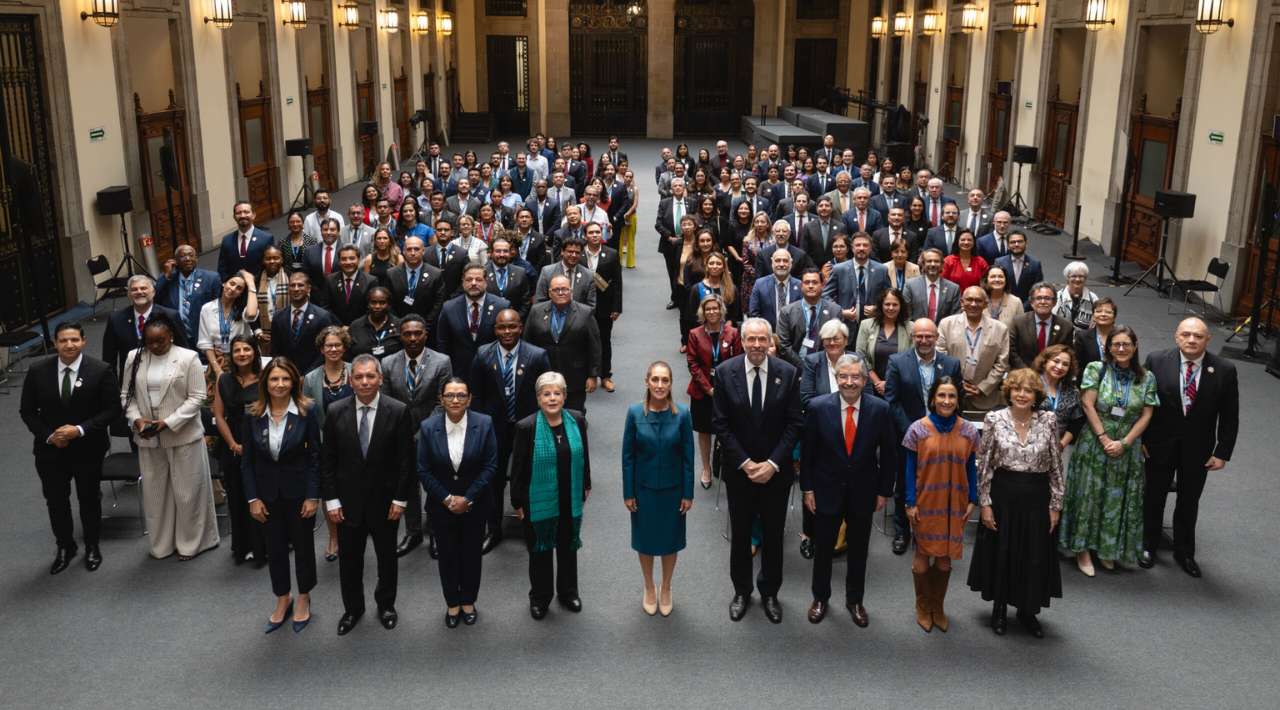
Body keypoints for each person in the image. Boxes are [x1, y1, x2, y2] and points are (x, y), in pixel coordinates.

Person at [712, 318, 803, 624]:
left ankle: (770, 592)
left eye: (762, 340)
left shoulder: (788, 374)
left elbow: (794, 424)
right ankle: (741, 591)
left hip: (775, 473)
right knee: (740, 535)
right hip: (740, 472)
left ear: (769, 342)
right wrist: (747, 463)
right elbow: (721, 425)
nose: (756, 345)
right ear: (742, 341)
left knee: (773, 535)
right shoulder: (726, 373)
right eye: (751, 339)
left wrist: (773, 463)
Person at [800, 353, 898, 627]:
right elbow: (808, 454)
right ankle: (820, 597)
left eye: (855, 377)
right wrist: (807, 489)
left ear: (865, 380)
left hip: (863, 491)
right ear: (836, 378)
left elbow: (889, 455)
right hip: (825, 489)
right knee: (822, 548)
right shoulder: (819, 408)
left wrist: (883, 491)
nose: (849, 382)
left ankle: (855, 600)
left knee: (858, 549)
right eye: (843, 376)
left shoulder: (880, 409)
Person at [968, 369, 1065, 638]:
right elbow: (984, 464)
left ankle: (1027, 610)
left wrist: (1056, 504)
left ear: (1036, 395)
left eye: (1028, 390)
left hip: (1037, 497)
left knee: (1033, 555)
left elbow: (1056, 464)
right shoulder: (994, 419)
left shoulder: (1049, 420)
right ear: (1009, 392)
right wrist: (984, 504)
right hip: (1003, 496)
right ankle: (999, 609)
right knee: (1003, 552)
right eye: (1017, 389)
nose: (1022, 395)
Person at [321, 354, 413, 635]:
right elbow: (328, 461)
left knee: (387, 559)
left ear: (380, 379)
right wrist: (332, 500)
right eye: (359, 377)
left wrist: (400, 500)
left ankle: (386, 605)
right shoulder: (336, 411)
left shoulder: (398, 411)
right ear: (350, 380)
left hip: (385, 504)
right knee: (349, 561)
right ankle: (353, 609)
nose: (364, 382)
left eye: (370, 376)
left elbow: (406, 460)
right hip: (347, 505)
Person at [20, 322, 121, 574]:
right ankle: (65, 546)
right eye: (63, 340)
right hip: (50, 450)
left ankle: (91, 546)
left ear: (84, 341)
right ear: (55, 343)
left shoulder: (100, 370)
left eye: (74, 340)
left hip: (88, 448)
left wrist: (80, 430)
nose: (69, 345)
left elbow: (112, 410)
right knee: (56, 501)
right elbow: (28, 411)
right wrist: (49, 436)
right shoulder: (37, 370)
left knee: (88, 499)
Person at [1141, 317, 1239, 577]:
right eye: (1186, 334)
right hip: (1158, 445)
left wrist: (1222, 452)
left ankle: (1184, 552)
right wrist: (1140, 440)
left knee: (1189, 501)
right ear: (1176, 337)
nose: (1192, 340)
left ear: (1208, 340)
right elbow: (1143, 405)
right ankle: (1147, 544)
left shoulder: (1225, 370)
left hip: (1199, 450)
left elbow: (1230, 415)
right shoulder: (1156, 361)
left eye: (1198, 336)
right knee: (1153, 496)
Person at [120, 313, 220, 560]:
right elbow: (126, 395)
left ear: (171, 337)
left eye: (160, 341)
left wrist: (168, 422)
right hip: (148, 437)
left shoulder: (188, 358)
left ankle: (192, 544)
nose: (155, 346)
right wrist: (137, 419)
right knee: (156, 495)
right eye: (150, 342)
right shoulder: (135, 357)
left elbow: (197, 397)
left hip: (183, 435)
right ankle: (162, 544)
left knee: (188, 493)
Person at [1059, 326, 1158, 575]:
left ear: (1135, 347)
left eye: (1126, 344)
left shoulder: (1147, 377)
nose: (1121, 349)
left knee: (1116, 497)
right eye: (1116, 345)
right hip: (1094, 442)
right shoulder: (1096, 369)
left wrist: (1124, 442)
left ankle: (1107, 549)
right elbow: (1088, 404)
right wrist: (1104, 438)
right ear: (1108, 347)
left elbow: (1147, 414)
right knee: (1089, 495)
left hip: (1127, 446)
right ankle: (1082, 551)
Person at [241, 357, 320, 633]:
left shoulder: (306, 411)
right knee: (274, 549)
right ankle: (282, 597)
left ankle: (304, 597)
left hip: (299, 495)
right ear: (265, 382)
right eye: (274, 379)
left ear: (294, 382)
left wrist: (313, 495)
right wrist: (253, 498)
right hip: (266, 496)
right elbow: (247, 462)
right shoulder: (252, 414)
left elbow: (315, 458)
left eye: (285, 379)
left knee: (303, 548)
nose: (280, 384)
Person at [415, 378, 497, 627]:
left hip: (475, 504)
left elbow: (490, 465)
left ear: (470, 399)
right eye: (450, 395)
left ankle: (468, 601)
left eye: (461, 395)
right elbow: (423, 470)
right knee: (447, 555)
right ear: (441, 399)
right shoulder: (428, 427)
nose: (455, 400)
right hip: (442, 506)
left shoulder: (484, 424)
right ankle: (452, 602)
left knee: (471, 554)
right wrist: (448, 498)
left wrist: (468, 497)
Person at [510, 372, 592, 619]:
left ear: (565, 396)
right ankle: (540, 597)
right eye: (547, 394)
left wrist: (586, 483)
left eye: (557, 393)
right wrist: (517, 501)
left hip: (569, 496)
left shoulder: (577, 420)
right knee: (540, 551)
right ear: (538, 398)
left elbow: (583, 455)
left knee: (568, 547)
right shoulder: (526, 427)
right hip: (537, 502)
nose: (552, 398)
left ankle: (568, 593)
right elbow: (518, 469)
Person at [469, 309, 551, 553]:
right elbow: (476, 396)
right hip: (493, 429)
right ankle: (493, 529)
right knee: (493, 481)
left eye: (512, 327)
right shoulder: (483, 355)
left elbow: (547, 394)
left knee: (529, 478)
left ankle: (531, 528)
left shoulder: (537, 356)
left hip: (528, 427)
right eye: (501, 328)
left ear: (521, 327)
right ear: (494, 329)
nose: (507, 332)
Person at [901, 377, 980, 632]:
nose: (947, 401)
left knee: (945, 561)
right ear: (933, 399)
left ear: (958, 401)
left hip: (955, 503)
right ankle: (922, 605)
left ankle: (938, 605)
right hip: (926, 502)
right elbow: (909, 468)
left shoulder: (968, 430)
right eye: (942, 396)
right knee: (922, 557)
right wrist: (910, 502)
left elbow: (971, 466)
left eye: (952, 396)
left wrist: (972, 499)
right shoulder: (917, 429)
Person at [620, 361, 694, 617]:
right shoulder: (634, 413)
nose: (660, 385)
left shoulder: (682, 414)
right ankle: (650, 586)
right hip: (644, 490)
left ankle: (667, 587)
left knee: (670, 541)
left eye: (665, 380)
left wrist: (688, 493)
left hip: (673, 490)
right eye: (655, 380)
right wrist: (628, 492)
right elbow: (627, 456)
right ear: (647, 382)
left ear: (671, 384)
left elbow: (688, 457)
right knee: (646, 540)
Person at [884, 319, 963, 555]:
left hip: (942, 436)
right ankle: (901, 532)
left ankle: (935, 530)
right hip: (908, 435)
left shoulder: (951, 364)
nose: (924, 340)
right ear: (913, 337)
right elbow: (892, 400)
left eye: (929, 336)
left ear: (937, 336)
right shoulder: (897, 362)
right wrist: (913, 431)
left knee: (938, 483)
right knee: (905, 483)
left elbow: (957, 402)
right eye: (919, 336)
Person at [380, 315, 453, 558]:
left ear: (425, 334)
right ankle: (413, 532)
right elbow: (387, 403)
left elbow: (442, 402)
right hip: (400, 435)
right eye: (407, 334)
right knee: (407, 483)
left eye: (417, 333)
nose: (412, 338)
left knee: (433, 484)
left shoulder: (442, 361)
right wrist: (402, 434)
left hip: (432, 433)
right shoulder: (388, 363)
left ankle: (434, 532)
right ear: (400, 336)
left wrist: (422, 433)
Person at [212, 335, 268, 567]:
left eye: (247, 349)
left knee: (261, 496)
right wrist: (233, 444)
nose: (242, 354)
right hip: (232, 444)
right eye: (237, 350)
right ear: (231, 355)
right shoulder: (223, 379)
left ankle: (263, 546)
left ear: (255, 352)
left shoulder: (265, 378)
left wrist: (254, 445)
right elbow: (218, 415)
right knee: (237, 496)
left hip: (261, 444)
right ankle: (242, 546)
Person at [301, 325, 355, 561]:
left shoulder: (356, 371)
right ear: (321, 349)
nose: (333, 349)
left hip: (354, 442)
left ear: (344, 347)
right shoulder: (311, 378)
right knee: (328, 491)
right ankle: (333, 537)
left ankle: (351, 536)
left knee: (352, 490)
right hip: (323, 444)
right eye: (328, 345)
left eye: (337, 345)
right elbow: (306, 414)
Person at [685, 295, 742, 489]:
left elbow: (738, 362)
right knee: (704, 430)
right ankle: (706, 468)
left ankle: (726, 466)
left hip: (728, 389)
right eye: (708, 309)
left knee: (728, 428)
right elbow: (692, 364)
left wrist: (724, 389)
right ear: (703, 311)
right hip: (702, 390)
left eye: (715, 308)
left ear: (721, 310)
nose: (712, 312)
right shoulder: (695, 333)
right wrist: (709, 389)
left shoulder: (733, 333)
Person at [524, 274, 601, 412]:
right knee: (545, 412)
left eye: (565, 289)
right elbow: (527, 342)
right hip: (544, 372)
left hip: (575, 375)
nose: (561, 292)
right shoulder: (536, 310)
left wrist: (593, 375)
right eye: (556, 290)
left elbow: (594, 346)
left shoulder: (585, 312)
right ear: (549, 293)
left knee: (574, 414)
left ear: (571, 291)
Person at [936, 286, 1010, 412]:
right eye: (969, 300)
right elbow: (939, 356)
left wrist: (983, 387)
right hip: (951, 395)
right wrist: (958, 384)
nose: (973, 304)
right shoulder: (946, 324)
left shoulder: (1000, 329)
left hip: (986, 397)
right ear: (962, 302)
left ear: (986, 304)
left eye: (978, 301)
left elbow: (1001, 364)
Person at [436, 263, 511, 386]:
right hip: (459, 373)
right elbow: (443, 343)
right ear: (463, 282)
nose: (474, 283)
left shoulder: (501, 306)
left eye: (478, 279)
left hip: (494, 371)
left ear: (486, 281)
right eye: (469, 279)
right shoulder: (449, 307)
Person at [101, 275, 187, 376]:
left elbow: (184, 349)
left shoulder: (170, 316)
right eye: (134, 289)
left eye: (143, 288)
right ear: (128, 294)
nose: (139, 292)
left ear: (153, 292)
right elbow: (109, 358)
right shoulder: (116, 319)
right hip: (131, 379)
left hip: (166, 376)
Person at [269, 272, 337, 373]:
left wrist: (307, 376)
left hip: (314, 375)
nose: (296, 289)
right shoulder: (278, 317)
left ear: (308, 289)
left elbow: (324, 351)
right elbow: (275, 350)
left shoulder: (322, 316)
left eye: (300, 285)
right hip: (286, 374)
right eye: (292, 285)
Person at [156, 244, 222, 347]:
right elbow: (155, 299)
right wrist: (166, 275)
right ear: (175, 261)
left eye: (191, 255)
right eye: (182, 256)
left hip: (203, 334)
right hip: (177, 336)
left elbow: (219, 307)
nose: (187, 259)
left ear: (196, 258)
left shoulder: (211, 278)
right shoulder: (168, 280)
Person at [583, 222, 623, 391]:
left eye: (597, 232)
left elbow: (618, 283)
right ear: (585, 235)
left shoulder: (612, 254)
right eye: (591, 232)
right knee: (583, 341)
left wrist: (617, 307)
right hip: (582, 306)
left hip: (605, 306)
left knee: (604, 341)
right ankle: (588, 375)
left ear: (602, 234)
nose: (594, 235)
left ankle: (605, 376)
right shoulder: (578, 255)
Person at [196, 271, 259, 379]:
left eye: (239, 288)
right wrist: (217, 370)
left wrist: (251, 284)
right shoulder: (207, 309)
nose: (233, 289)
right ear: (224, 283)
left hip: (241, 358)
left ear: (241, 293)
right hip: (217, 360)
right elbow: (205, 343)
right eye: (232, 283)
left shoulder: (242, 309)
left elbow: (252, 314)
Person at [776, 268, 842, 368]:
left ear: (823, 285)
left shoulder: (835, 311)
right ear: (801, 286)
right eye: (807, 282)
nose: (810, 286)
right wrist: (803, 366)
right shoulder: (787, 311)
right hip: (794, 366)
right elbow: (783, 345)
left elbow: (837, 343)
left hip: (824, 366)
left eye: (815, 282)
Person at [823, 232, 890, 327]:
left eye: (865, 245)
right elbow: (825, 295)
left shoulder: (881, 270)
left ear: (870, 248)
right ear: (852, 248)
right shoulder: (839, 269)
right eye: (858, 245)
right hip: (845, 325)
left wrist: (878, 308)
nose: (861, 248)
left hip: (873, 325)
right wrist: (840, 311)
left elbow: (890, 297)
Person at [856, 288, 911, 399]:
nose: (891, 308)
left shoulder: (910, 328)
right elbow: (860, 355)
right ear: (881, 305)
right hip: (870, 387)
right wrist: (877, 382)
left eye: (895, 304)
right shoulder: (866, 325)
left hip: (900, 387)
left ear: (901, 306)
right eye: (887, 304)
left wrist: (889, 384)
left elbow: (911, 359)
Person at [1009, 283, 1074, 370]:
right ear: (1032, 302)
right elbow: (1012, 352)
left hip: (1053, 375)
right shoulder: (1018, 322)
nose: (1043, 302)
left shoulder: (1066, 327)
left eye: (1047, 298)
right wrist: (1027, 373)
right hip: (1023, 374)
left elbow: (1067, 354)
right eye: (1039, 298)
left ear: (1054, 302)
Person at [1033, 344, 1085, 452]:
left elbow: (1076, 422)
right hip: (1028, 444)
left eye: (1065, 364)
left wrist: (1061, 445)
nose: (1060, 367)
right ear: (1045, 361)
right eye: (1056, 361)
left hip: (1055, 449)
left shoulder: (1072, 391)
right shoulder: (1030, 383)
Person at [656, 177, 697, 309]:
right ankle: (675, 298)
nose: (678, 188)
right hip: (670, 243)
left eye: (680, 185)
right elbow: (658, 224)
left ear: (684, 188)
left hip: (689, 242)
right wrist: (669, 237)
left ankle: (690, 295)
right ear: (671, 189)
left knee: (690, 268)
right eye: (675, 186)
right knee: (673, 271)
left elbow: (696, 221)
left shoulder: (692, 202)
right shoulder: (664, 203)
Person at [386, 236, 446, 324]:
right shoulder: (391, 274)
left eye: (416, 249)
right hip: (398, 325)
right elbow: (388, 302)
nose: (413, 253)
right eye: (409, 249)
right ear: (403, 252)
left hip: (426, 326)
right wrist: (397, 323)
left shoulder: (435, 274)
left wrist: (426, 324)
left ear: (423, 251)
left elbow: (438, 303)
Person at [746, 248, 802, 330]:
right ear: (772, 263)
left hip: (794, 337)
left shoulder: (800, 285)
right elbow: (754, 314)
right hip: (767, 336)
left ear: (791, 263)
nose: (781, 264)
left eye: (785, 261)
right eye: (778, 260)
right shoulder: (760, 284)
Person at [324, 245, 379, 325]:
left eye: (352, 258)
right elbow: (326, 307)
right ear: (339, 261)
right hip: (336, 328)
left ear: (359, 260)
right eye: (343, 259)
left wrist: (355, 326)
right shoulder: (330, 280)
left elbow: (372, 309)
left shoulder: (371, 281)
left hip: (362, 328)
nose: (348, 262)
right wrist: (341, 326)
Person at [218, 200, 273, 281]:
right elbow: (222, 268)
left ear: (253, 215)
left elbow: (269, 266)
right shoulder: (227, 240)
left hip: (259, 287)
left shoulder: (266, 238)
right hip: (234, 289)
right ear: (234, 217)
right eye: (238, 213)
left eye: (246, 212)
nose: (242, 215)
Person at [902, 249, 960, 322]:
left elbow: (955, 318)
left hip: (942, 332)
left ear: (942, 264)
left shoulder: (953, 289)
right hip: (917, 332)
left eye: (936, 261)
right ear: (923, 264)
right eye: (929, 261)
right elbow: (906, 315)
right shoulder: (910, 286)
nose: (933, 264)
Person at [347, 286, 402, 360]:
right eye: (373, 302)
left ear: (389, 305)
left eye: (382, 303)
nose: (377, 306)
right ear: (368, 304)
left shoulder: (399, 325)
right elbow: (349, 354)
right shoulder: (356, 326)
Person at [485, 238, 533, 320]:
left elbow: (526, 301)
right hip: (489, 321)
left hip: (514, 322)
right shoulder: (483, 272)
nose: (502, 254)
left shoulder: (520, 272)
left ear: (510, 253)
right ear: (491, 253)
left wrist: (516, 318)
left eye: (505, 251)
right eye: (498, 251)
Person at [992, 231, 1043, 307]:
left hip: (1027, 308)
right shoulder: (999, 262)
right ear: (1008, 245)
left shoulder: (1035, 264)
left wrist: (1023, 307)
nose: (1016, 244)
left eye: (1020, 241)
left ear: (1026, 243)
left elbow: (1037, 289)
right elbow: (996, 286)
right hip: (1003, 306)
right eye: (1013, 242)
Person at [1073, 296, 1116, 370]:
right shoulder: (1082, 337)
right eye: (1098, 311)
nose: (1103, 314)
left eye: (1108, 312)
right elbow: (1077, 364)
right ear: (1093, 316)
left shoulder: (1122, 336)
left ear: (1114, 317)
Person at [1055, 261, 1098, 330]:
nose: (1077, 279)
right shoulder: (1057, 297)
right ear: (1067, 278)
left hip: (1084, 339)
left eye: (1081, 276)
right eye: (1074, 276)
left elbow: (1097, 322)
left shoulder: (1093, 298)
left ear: (1085, 278)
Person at [983, 265, 1023, 330]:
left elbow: (1021, 329)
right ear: (986, 280)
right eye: (993, 277)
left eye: (1000, 277)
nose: (997, 279)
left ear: (1006, 280)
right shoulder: (979, 300)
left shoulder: (1016, 302)